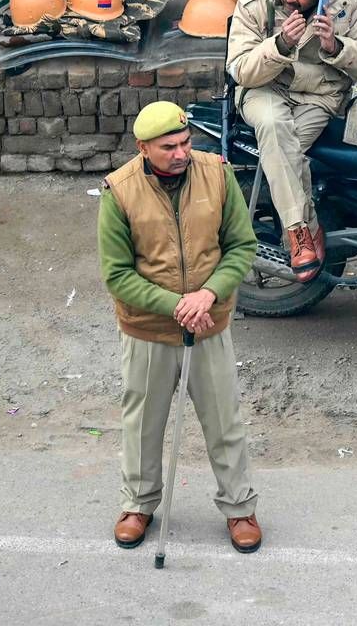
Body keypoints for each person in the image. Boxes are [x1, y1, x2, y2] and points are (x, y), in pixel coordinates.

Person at [98, 102, 262, 554]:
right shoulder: (119, 191)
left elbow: (240, 246)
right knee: (142, 424)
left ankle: (240, 508)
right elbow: (117, 275)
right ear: (143, 147)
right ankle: (138, 504)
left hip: (209, 322)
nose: (181, 153)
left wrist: (207, 295)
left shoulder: (218, 174)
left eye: (186, 143)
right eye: (169, 146)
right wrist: (176, 305)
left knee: (224, 421)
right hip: (147, 329)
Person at [227, 0, 357, 279]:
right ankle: (301, 230)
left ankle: (308, 229)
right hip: (265, 89)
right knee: (272, 126)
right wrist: (279, 44)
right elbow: (240, 70)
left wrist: (336, 46)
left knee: (284, 150)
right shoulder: (254, 1)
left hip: (320, 95)